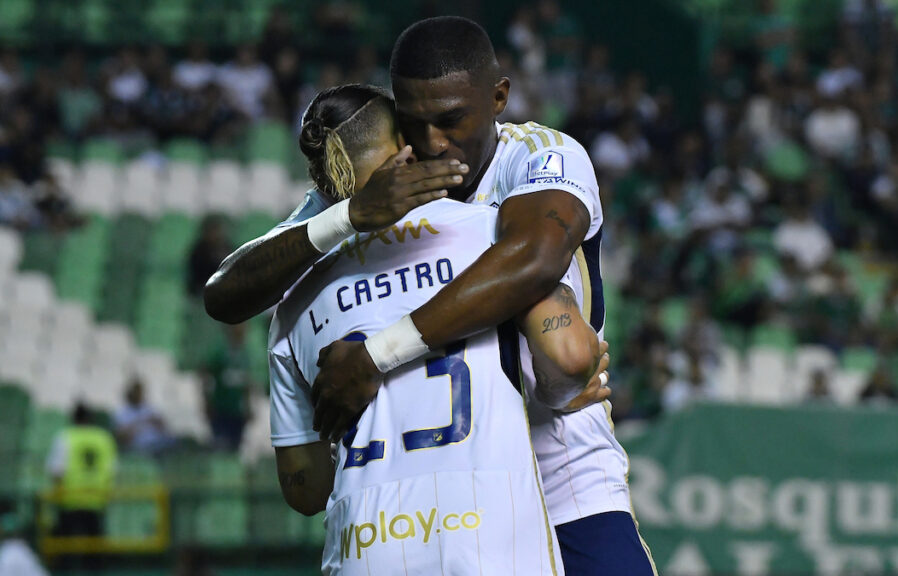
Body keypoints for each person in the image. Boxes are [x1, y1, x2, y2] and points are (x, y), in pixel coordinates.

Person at [207, 17, 656, 575]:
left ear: (499, 97)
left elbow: (534, 258)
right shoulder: (387, 181)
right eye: (415, 124)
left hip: (566, 479)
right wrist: (347, 215)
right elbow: (225, 293)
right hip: (448, 509)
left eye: (451, 120)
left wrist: (375, 356)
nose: (434, 142)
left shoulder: (539, 154)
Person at [268, 84, 605, 574]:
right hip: (493, 543)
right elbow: (569, 353)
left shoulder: (292, 303)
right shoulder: (488, 236)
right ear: (404, 149)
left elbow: (306, 490)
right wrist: (568, 382)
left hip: (367, 550)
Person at [46, 404, 117, 569]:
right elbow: (112, 470)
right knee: (94, 554)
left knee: (67, 553)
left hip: (70, 500)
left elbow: (56, 472)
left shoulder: (65, 436)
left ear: (73, 418)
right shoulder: (103, 438)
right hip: (97, 501)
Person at [113, 378, 175, 455]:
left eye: (140, 392)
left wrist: (156, 421)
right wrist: (138, 424)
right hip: (140, 447)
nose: (139, 395)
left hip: (157, 441)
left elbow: (164, 426)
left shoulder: (148, 408)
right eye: (136, 392)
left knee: (174, 441)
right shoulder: (122, 412)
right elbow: (121, 436)